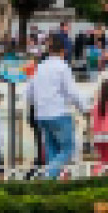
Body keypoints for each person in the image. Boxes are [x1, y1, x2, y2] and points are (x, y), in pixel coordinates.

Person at [29, 36, 88, 178]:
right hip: (59, 113)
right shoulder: (62, 67)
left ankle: (51, 182)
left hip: (41, 114)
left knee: (52, 151)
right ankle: (47, 177)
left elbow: (30, 92)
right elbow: (72, 91)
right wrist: (85, 109)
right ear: (63, 51)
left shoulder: (39, 67)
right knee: (68, 149)